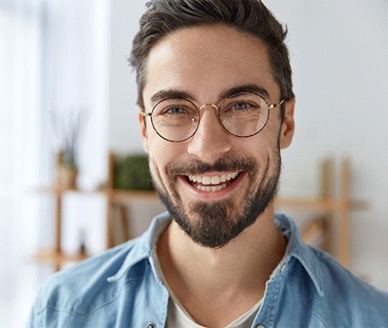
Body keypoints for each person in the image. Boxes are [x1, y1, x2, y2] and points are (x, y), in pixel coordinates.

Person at [27, 0, 388, 327]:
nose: (208, 148)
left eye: (242, 104)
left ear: (286, 122)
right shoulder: (63, 311)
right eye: (175, 110)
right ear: (145, 130)